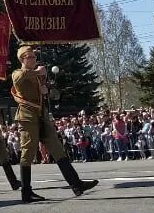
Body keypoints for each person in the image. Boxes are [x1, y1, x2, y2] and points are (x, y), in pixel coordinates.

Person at [12, 46, 98, 203]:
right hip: (27, 117)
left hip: (42, 117)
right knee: (28, 153)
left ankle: (76, 184)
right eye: (29, 57)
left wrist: (45, 88)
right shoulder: (18, 73)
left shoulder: (37, 76)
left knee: (58, 150)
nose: (33, 59)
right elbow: (18, 79)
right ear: (22, 59)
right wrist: (39, 73)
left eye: (34, 56)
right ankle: (26, 192)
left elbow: (44, 93)